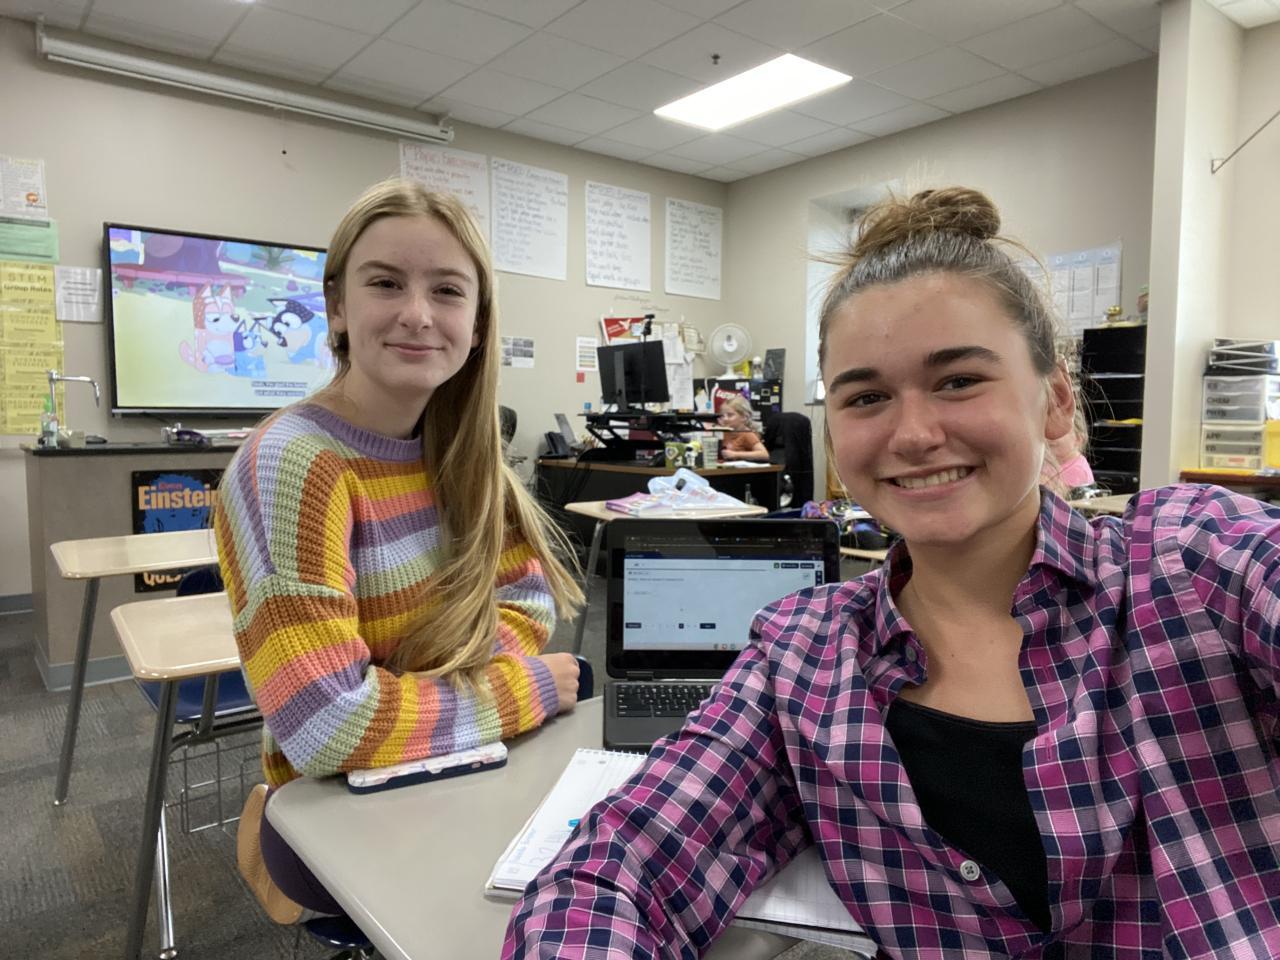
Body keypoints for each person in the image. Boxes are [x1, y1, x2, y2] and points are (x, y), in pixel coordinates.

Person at [503, 187, 1280, 959]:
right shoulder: (803, 657)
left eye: (958, 380)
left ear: (1053, 400)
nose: (913, 434)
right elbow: (615, 872)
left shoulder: (1195, 563)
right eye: (867, 396)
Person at [215, 178, 583, 918]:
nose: (418, 314)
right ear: (337, 307)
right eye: (385, 283)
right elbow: (327, 727)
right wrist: (524, 689)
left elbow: (529, 600)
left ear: (477, 323)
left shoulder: (465, 451)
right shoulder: (292, 463)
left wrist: (415, 690)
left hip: (468, 765)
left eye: (447, 291)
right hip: (343, 810)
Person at [716, 394, 770, 462]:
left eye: (730, 415)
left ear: (744, 417)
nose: (725, 419)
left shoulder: (747, 434)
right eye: (722, 416)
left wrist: (736, 455)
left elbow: (764, 455)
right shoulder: (724, 432)